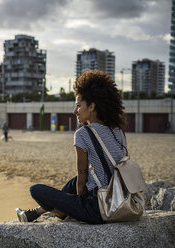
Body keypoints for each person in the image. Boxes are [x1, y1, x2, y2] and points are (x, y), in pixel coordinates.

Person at [16, 70, 127, 224]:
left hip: (99, 208)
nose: (74, 111)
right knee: (73, 182)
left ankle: (45, 211)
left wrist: (76, 210)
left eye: (78, 106)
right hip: (121, 198)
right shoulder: (118, 131)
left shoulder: (83, 133)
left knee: (35, 190)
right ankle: (36, 212)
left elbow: (82, 180)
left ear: (92, 106)